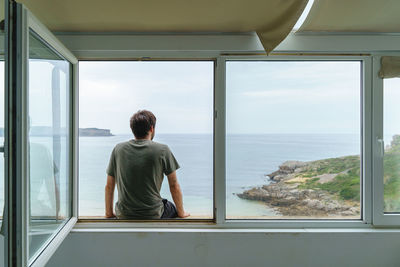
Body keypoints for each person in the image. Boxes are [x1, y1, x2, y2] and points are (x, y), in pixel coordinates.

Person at [105, 110, 190, 219]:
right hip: (153, 214)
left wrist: (109, 213)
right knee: (171, 207)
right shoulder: (163, 150)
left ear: (133, 129)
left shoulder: (118, 149)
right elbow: (173, 185)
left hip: (124, 214)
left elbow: (109, 185)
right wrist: (181, 213)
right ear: (151, 128)